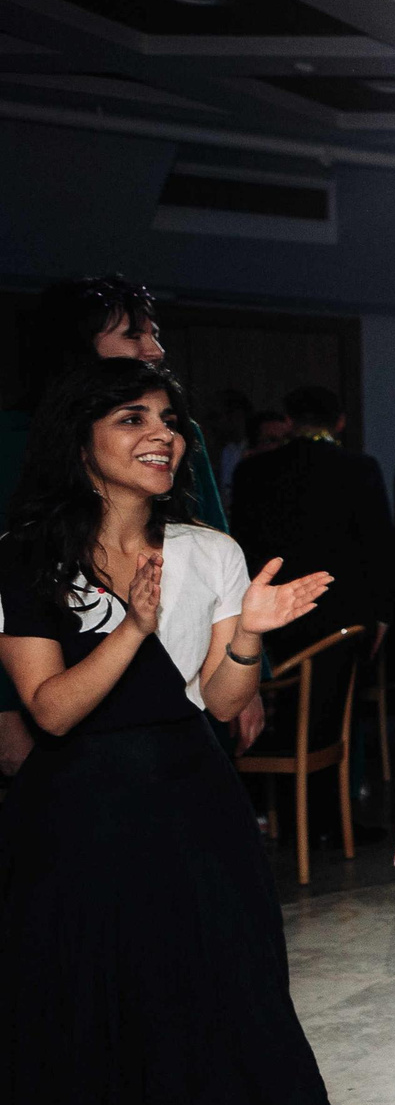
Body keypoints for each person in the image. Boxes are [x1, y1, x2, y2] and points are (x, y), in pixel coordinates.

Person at [0, 356, 344, 1105]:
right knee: (108, 1022)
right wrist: (132, 626)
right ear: (80, 438)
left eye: (169, 419)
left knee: (219, 1004)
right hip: (82, 814)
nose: (161, 434)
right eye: (131, 417)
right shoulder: (27, 557)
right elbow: (50, 709)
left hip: (195, 799)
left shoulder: (210, 550)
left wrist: (248, 637)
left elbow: (224, 701)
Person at [0, 278, 231, 777]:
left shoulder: (177, 436)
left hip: (179, 704)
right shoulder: (16, 439)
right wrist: (5, 710)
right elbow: (16, 596)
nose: (154, 350)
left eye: (155, 334)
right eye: (133, 334)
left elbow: (214, 544)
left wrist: (244, 667)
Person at [229, 382, 395, 769]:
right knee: (340, 718)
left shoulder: (252, 471)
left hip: (273, 621)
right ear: (339, 422)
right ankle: (337, 797)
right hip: (341, 620)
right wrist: (382, 616)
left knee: (279, 715)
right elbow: (380, 547)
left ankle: (275, 797)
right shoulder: (359, 468)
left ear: (288, 421)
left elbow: (241, 550)